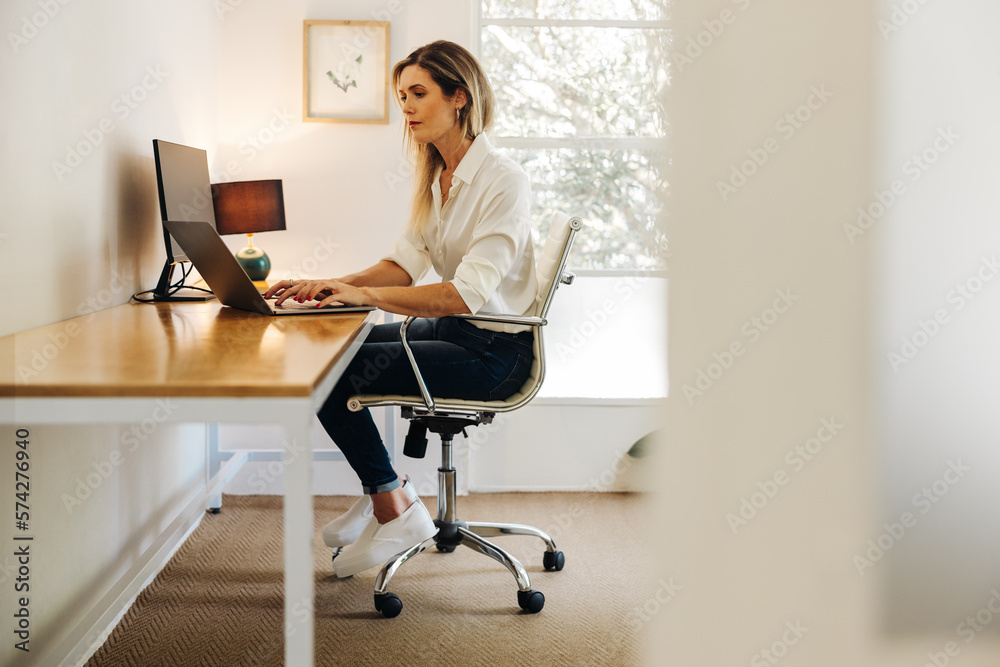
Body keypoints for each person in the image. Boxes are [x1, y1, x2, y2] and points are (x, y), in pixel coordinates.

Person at [264, 40, 537, 578]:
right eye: (401, 95)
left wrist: (363, 297)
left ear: (459, 96)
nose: (406, 107)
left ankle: (393, 504)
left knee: (332, 372)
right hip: (458, 333)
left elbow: (464, 293)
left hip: (496, 355)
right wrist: (330, 284)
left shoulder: (503, 181)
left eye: (418, 93)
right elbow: (404, 267)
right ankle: (386, 490)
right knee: (332, 351)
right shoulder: (437, 179)